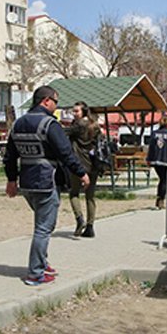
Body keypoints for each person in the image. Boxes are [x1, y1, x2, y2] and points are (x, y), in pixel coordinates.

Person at [4, 86, 89, 286]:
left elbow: (9, 156)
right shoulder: (50, 124)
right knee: (43, 228)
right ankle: (35, 273)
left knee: (41, 225)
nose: (56, 107)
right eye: (56, 102)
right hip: (46, 182)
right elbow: (65, 153)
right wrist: (81, 173)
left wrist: (11, 180)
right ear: (46, 101)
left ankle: (42, 262)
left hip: (27, 184)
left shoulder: (18, 124)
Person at [66, 101, 100, 238]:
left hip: (79, 164)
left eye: (76, 111)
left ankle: (80, 219)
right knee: (90, 196)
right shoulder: (95, 125)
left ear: (83, 112)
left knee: (74, 193)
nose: (74, 114)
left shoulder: (77, 126)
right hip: (93, 164)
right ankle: (90, 227)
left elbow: (63, 133)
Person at [146, 116, 167, 210]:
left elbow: (150, 148)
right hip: (166, 159)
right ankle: (161, 199)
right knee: (164, 180)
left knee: (162, 179)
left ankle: (159, 198)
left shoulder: (154, 134)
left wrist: (148, 159)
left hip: (155, 160)